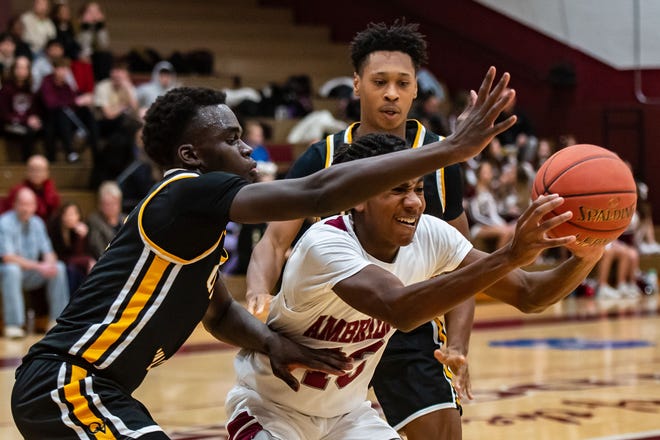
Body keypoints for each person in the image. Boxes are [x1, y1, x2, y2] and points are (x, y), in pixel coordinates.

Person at [11, 73, 516, 438]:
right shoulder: (185, 191)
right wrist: (449, 149)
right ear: (192, 156)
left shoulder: (192, 231)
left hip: (99, 387)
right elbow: (317, 193)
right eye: (232, 140)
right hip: (69, 380)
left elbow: (218, 312)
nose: (248, 150)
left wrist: (273, 343)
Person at [225, 133, 605, 440]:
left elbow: (529, 294)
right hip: (272, 412)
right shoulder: (324, 243)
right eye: (396, 190)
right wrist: (508, 255)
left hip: (347, 418)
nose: (414, 203)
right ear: (356, 199)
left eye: (419, 189)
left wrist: (588, 253)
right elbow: (399, 308)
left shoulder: (431, 235)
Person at [245, 21, 475, 439]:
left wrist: (457, 345)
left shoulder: (441, 161)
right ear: (356, 84)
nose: (391, 93)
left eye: (402, 83)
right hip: (329, 328)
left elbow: (462, 270)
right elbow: (275, 240)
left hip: (407, 322)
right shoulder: (323, 157)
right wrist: (259, 291)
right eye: (379, 82)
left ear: (415, 90)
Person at [0, 187, 69, 339]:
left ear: (35, 206)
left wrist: (49, 263)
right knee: (12, 269)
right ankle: (14, 324)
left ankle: (57, 322)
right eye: (23, 204)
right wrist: (40, 266)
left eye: (30, 204)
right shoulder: (4, 222)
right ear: (15, 204)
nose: (26, 208)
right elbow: (7, 257)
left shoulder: (38, 223)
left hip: (30, 272)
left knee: (58, 268)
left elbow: (48, 251)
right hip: (7, 273)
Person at [0, 55, 43, 162]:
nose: (21, 71)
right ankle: (26, 163)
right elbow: (4, 115)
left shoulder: (30, 89)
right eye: (19, 67)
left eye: (25, 68)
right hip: (9, 124)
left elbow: (33, 111)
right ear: (13, 69)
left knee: (44, 128)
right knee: (29, 132)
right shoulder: (6, 89)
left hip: (26, 123)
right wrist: (25, 120)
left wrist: (35, 119)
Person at [47, 201, 95, 295]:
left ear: (79, 216)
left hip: (75, 267)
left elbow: (80, 254)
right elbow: (59, 257)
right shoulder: (55, 229)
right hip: (60, 265)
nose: (70, 217)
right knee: (71, 269)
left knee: (81, 271)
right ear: (62, 216)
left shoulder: (80, 231)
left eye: (74, 214)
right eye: (67, 214)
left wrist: (80, 238)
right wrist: (87, 260)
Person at [1, 154, 60, 221]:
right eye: (33, 170)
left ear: (47, 173)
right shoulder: (17, 191)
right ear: (27, 172)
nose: (37, 174)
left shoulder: (52, 192)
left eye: (40, 170)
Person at [86, 180, 127, 259]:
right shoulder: (94, 220)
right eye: (108, 204)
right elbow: (97, 248)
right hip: (108, 261)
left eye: (114, 203)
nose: (111, 207)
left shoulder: (126, 219)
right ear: (100, 204)